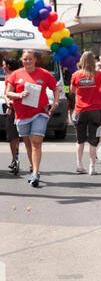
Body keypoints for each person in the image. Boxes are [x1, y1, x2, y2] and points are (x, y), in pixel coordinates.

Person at [6, 49, 60, 187]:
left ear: (35, 60)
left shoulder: (44, 73)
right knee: (28, 144)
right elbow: (8, 93)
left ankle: (35, 172)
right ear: (22, 60)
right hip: (22, 115)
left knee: (36, 142)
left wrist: (55, 102)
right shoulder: (15, 74)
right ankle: (32, 166)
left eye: (30, 59)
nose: (28, 61)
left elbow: (55, 88)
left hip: (40, 113)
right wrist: (18, 95)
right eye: (25, 59)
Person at [70, 51, 101, 175]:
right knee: (93, 140)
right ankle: (92, 167)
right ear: (93, 61)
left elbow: (72, 90)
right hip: (95, 110)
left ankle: (79, 165)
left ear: (81, 61)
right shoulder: (98, 75)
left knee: (80, 140)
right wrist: (96, 89)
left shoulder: (76, 75)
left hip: (80, 110)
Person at [3, 56, 21, 172]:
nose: (2, 66)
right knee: (12, 137)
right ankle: (14, 159)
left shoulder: (21, 76)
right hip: (12, 110)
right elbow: (6, 94)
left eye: (4, 64)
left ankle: (32, 163)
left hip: (23, 110)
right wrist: (8, 102)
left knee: (26, 137)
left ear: (8, 66)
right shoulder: (7, 78)